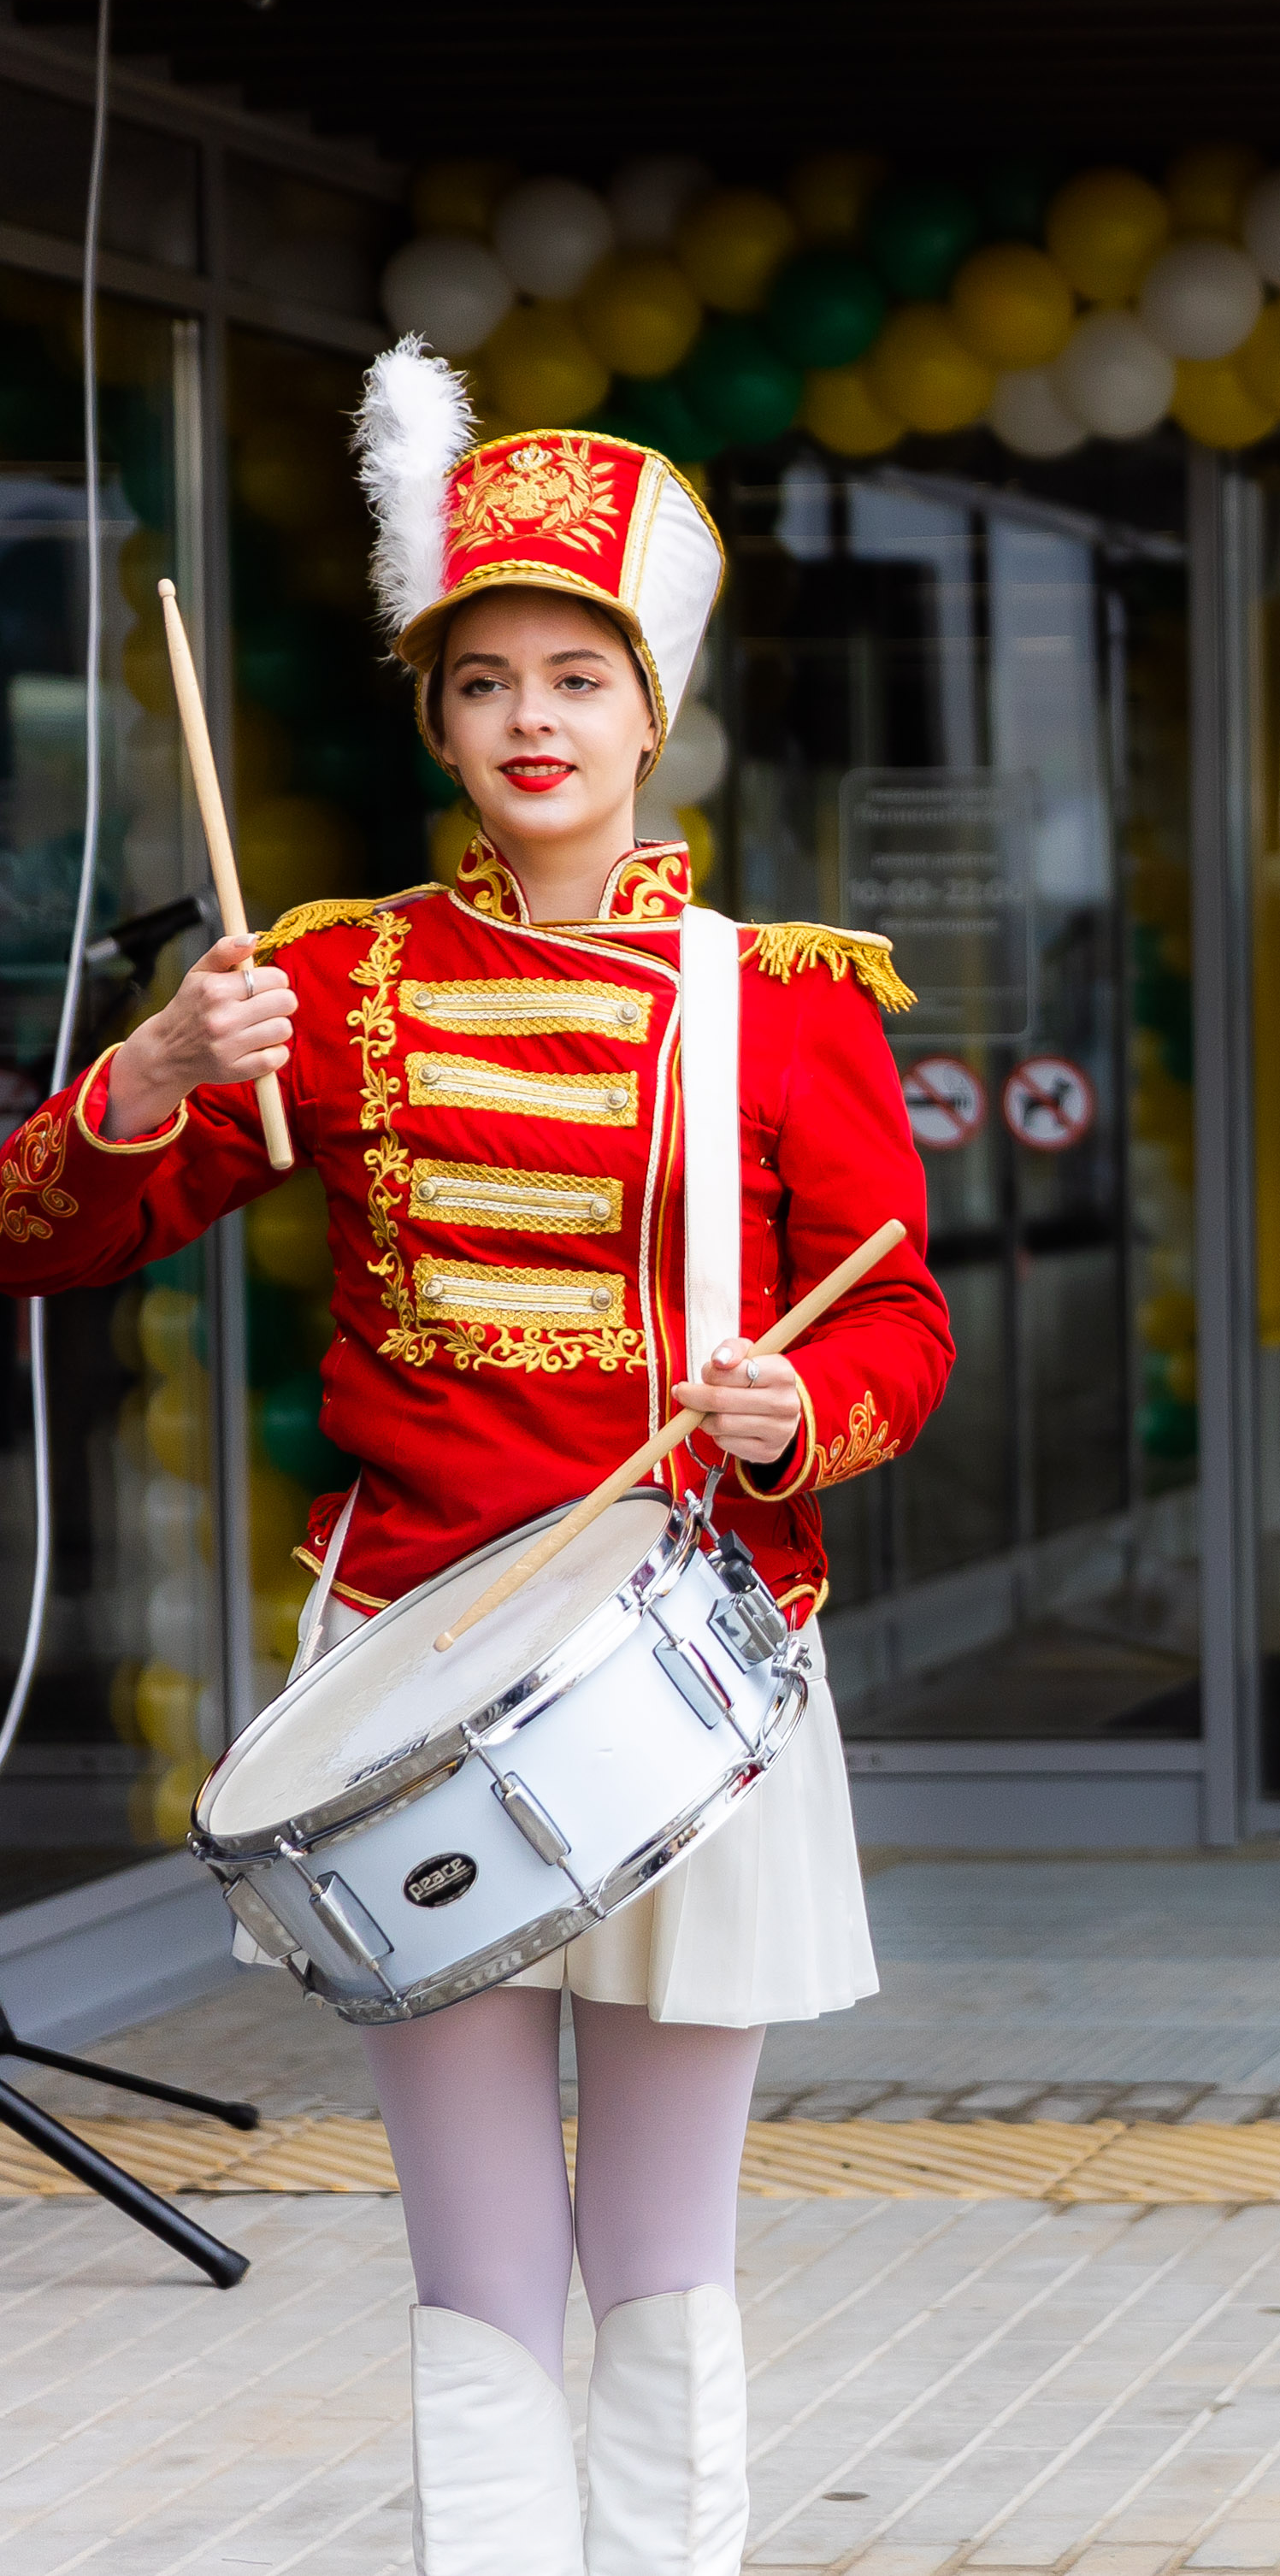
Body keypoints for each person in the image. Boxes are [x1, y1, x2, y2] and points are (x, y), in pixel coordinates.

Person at [0, 344, 953, 2576]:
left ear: (654, 710)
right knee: (474, 2257)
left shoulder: (783, 1001)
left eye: (578, 677)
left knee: (662, 2244)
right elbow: (42, 1235)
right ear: (437, 721)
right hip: (407, 1667)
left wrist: (802, 1410)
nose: (533, 720)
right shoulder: (320, 991)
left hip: (696, 1658)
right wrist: (146, 1072)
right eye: (485, 680)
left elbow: (901, 1311)